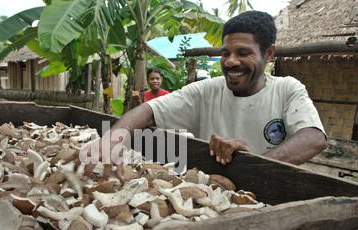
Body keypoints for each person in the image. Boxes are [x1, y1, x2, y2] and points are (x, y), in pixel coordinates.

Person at [79, 11, 327, 176]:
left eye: (243, 53)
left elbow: (313, 137)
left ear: (269, 54)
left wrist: (255, 163)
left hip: (267, 195)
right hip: (211, 194)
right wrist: (110, 140)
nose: (230, 62)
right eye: (225, 53)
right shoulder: (206, 90)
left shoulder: (287, 89)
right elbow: (148, 109)